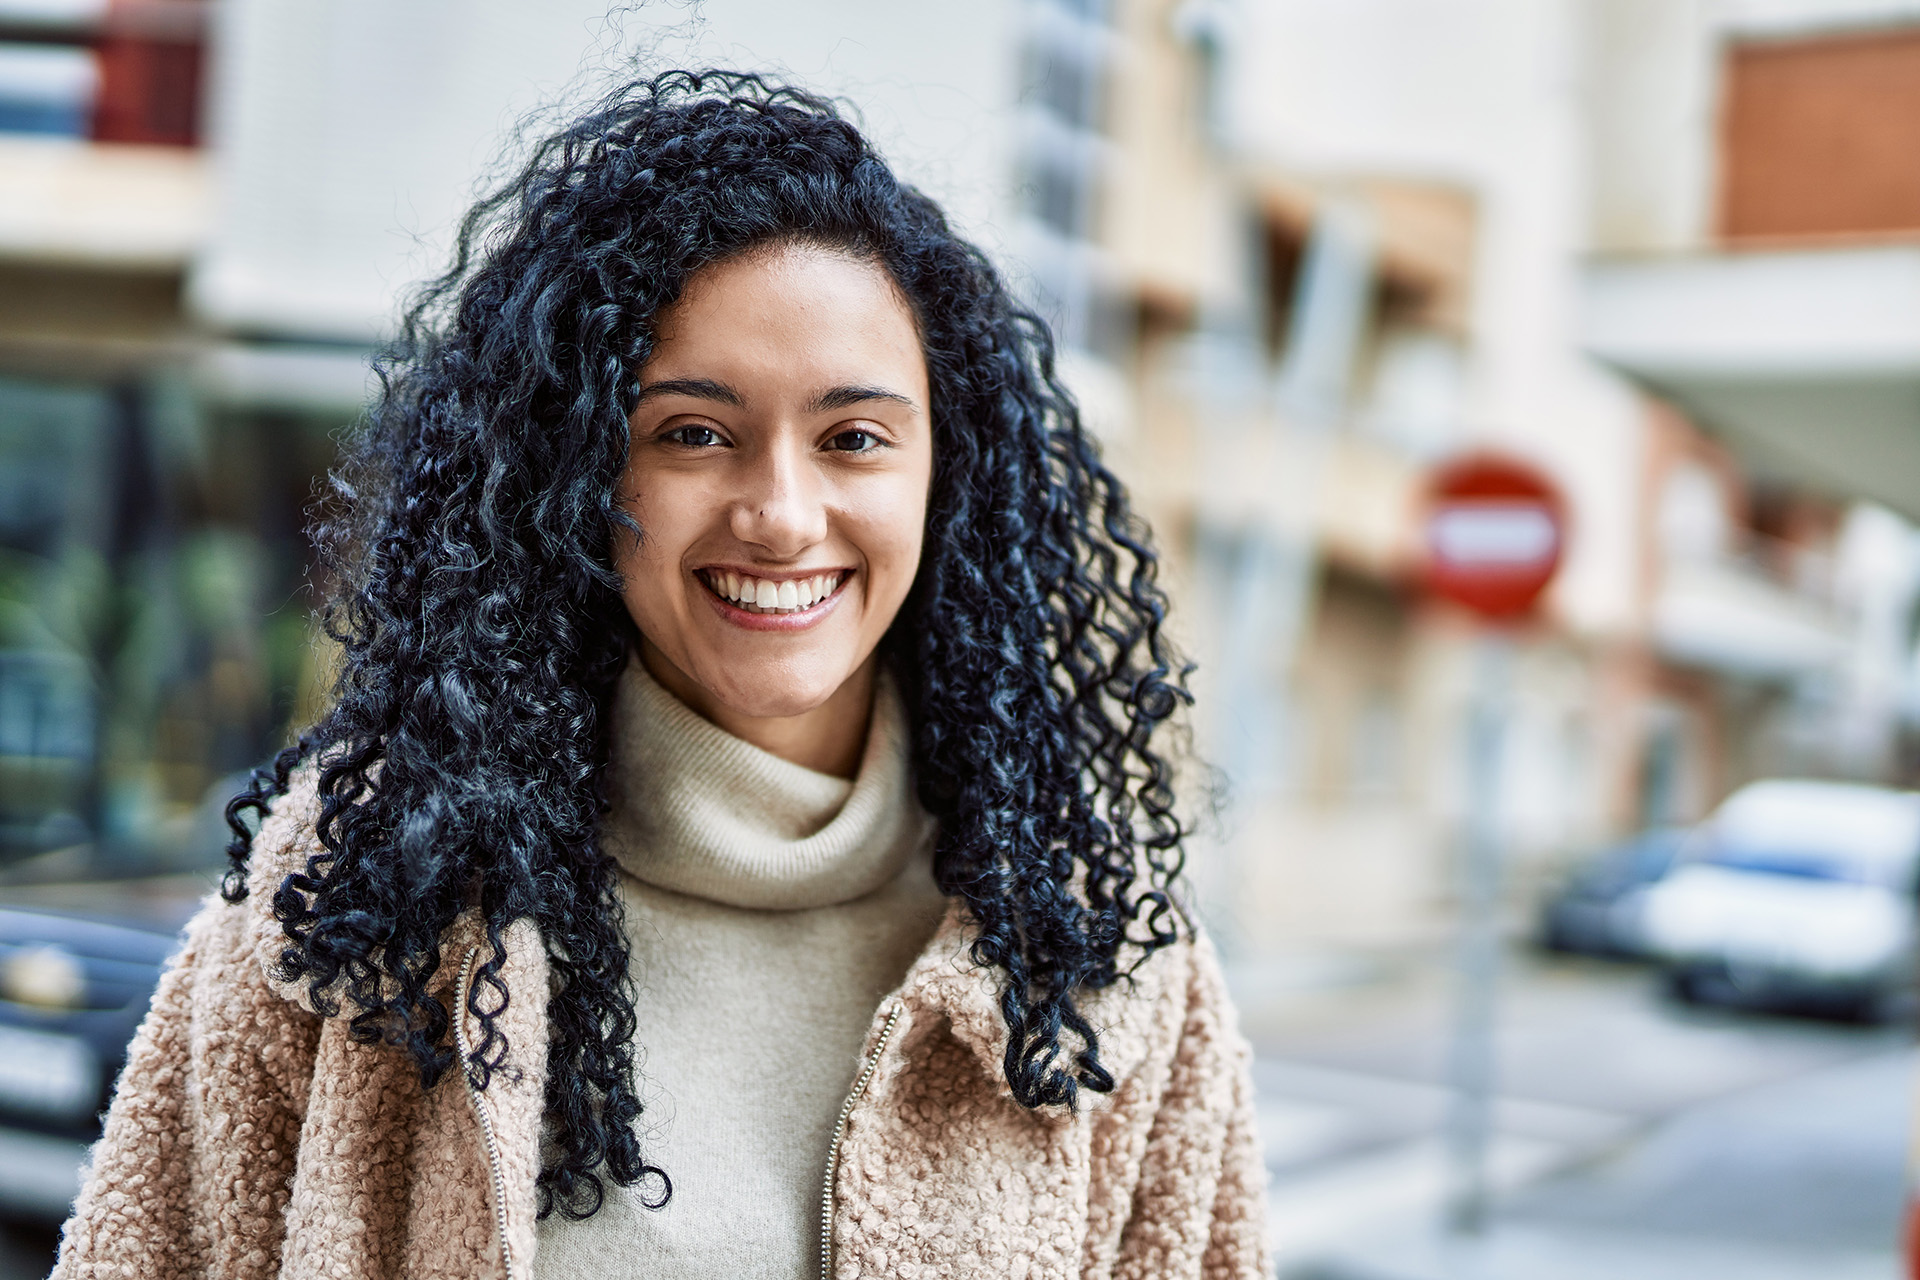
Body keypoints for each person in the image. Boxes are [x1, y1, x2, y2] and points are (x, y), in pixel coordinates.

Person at [53, 71, 1269, 1280]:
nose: (783, 514)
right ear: (582, 469)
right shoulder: (358, 893)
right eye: (693, 431)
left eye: (854, 437)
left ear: (945, 476)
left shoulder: (1099, 959)